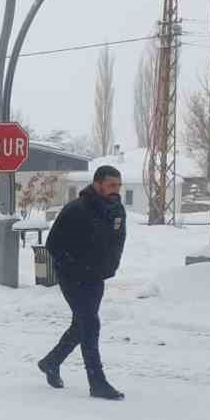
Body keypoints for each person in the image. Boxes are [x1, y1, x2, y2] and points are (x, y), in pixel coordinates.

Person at [38, 165, 127, 400]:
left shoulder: (116, 210)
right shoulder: (76, 210)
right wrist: (73, 266)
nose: (115, 190)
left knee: (82, 325)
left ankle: (51, 361)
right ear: (97, 184)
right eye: (110, 185)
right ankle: (97, 381)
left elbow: (118, 240)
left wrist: (110, 265)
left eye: (118, 186)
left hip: (97, 276)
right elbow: (53, 245)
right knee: (91, 323)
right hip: (73, 277)